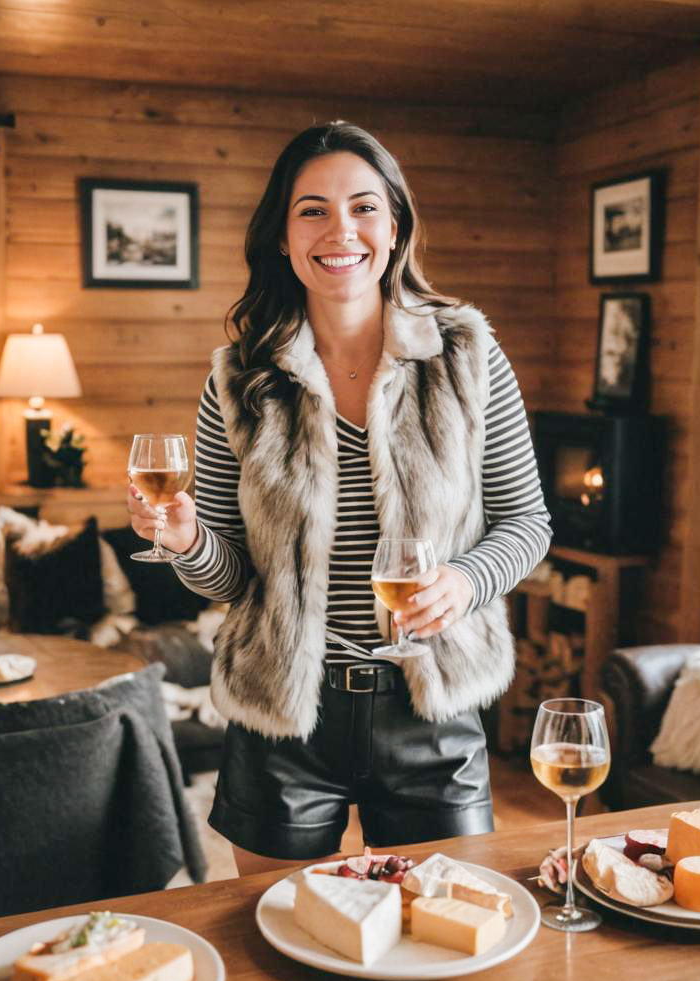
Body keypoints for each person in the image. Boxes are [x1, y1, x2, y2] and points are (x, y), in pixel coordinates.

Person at [128, 122, 552, 876]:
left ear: (394, 227)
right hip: (284, 717)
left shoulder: (466, 354)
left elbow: (526, 521)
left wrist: (464, 580)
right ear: (285, 238)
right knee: (271, 944)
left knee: (438, 943)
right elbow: (230, 580)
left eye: (362, 207)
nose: (340, 230)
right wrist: (189, 538)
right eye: (312, 210)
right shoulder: (239, 378)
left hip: (433, 710)